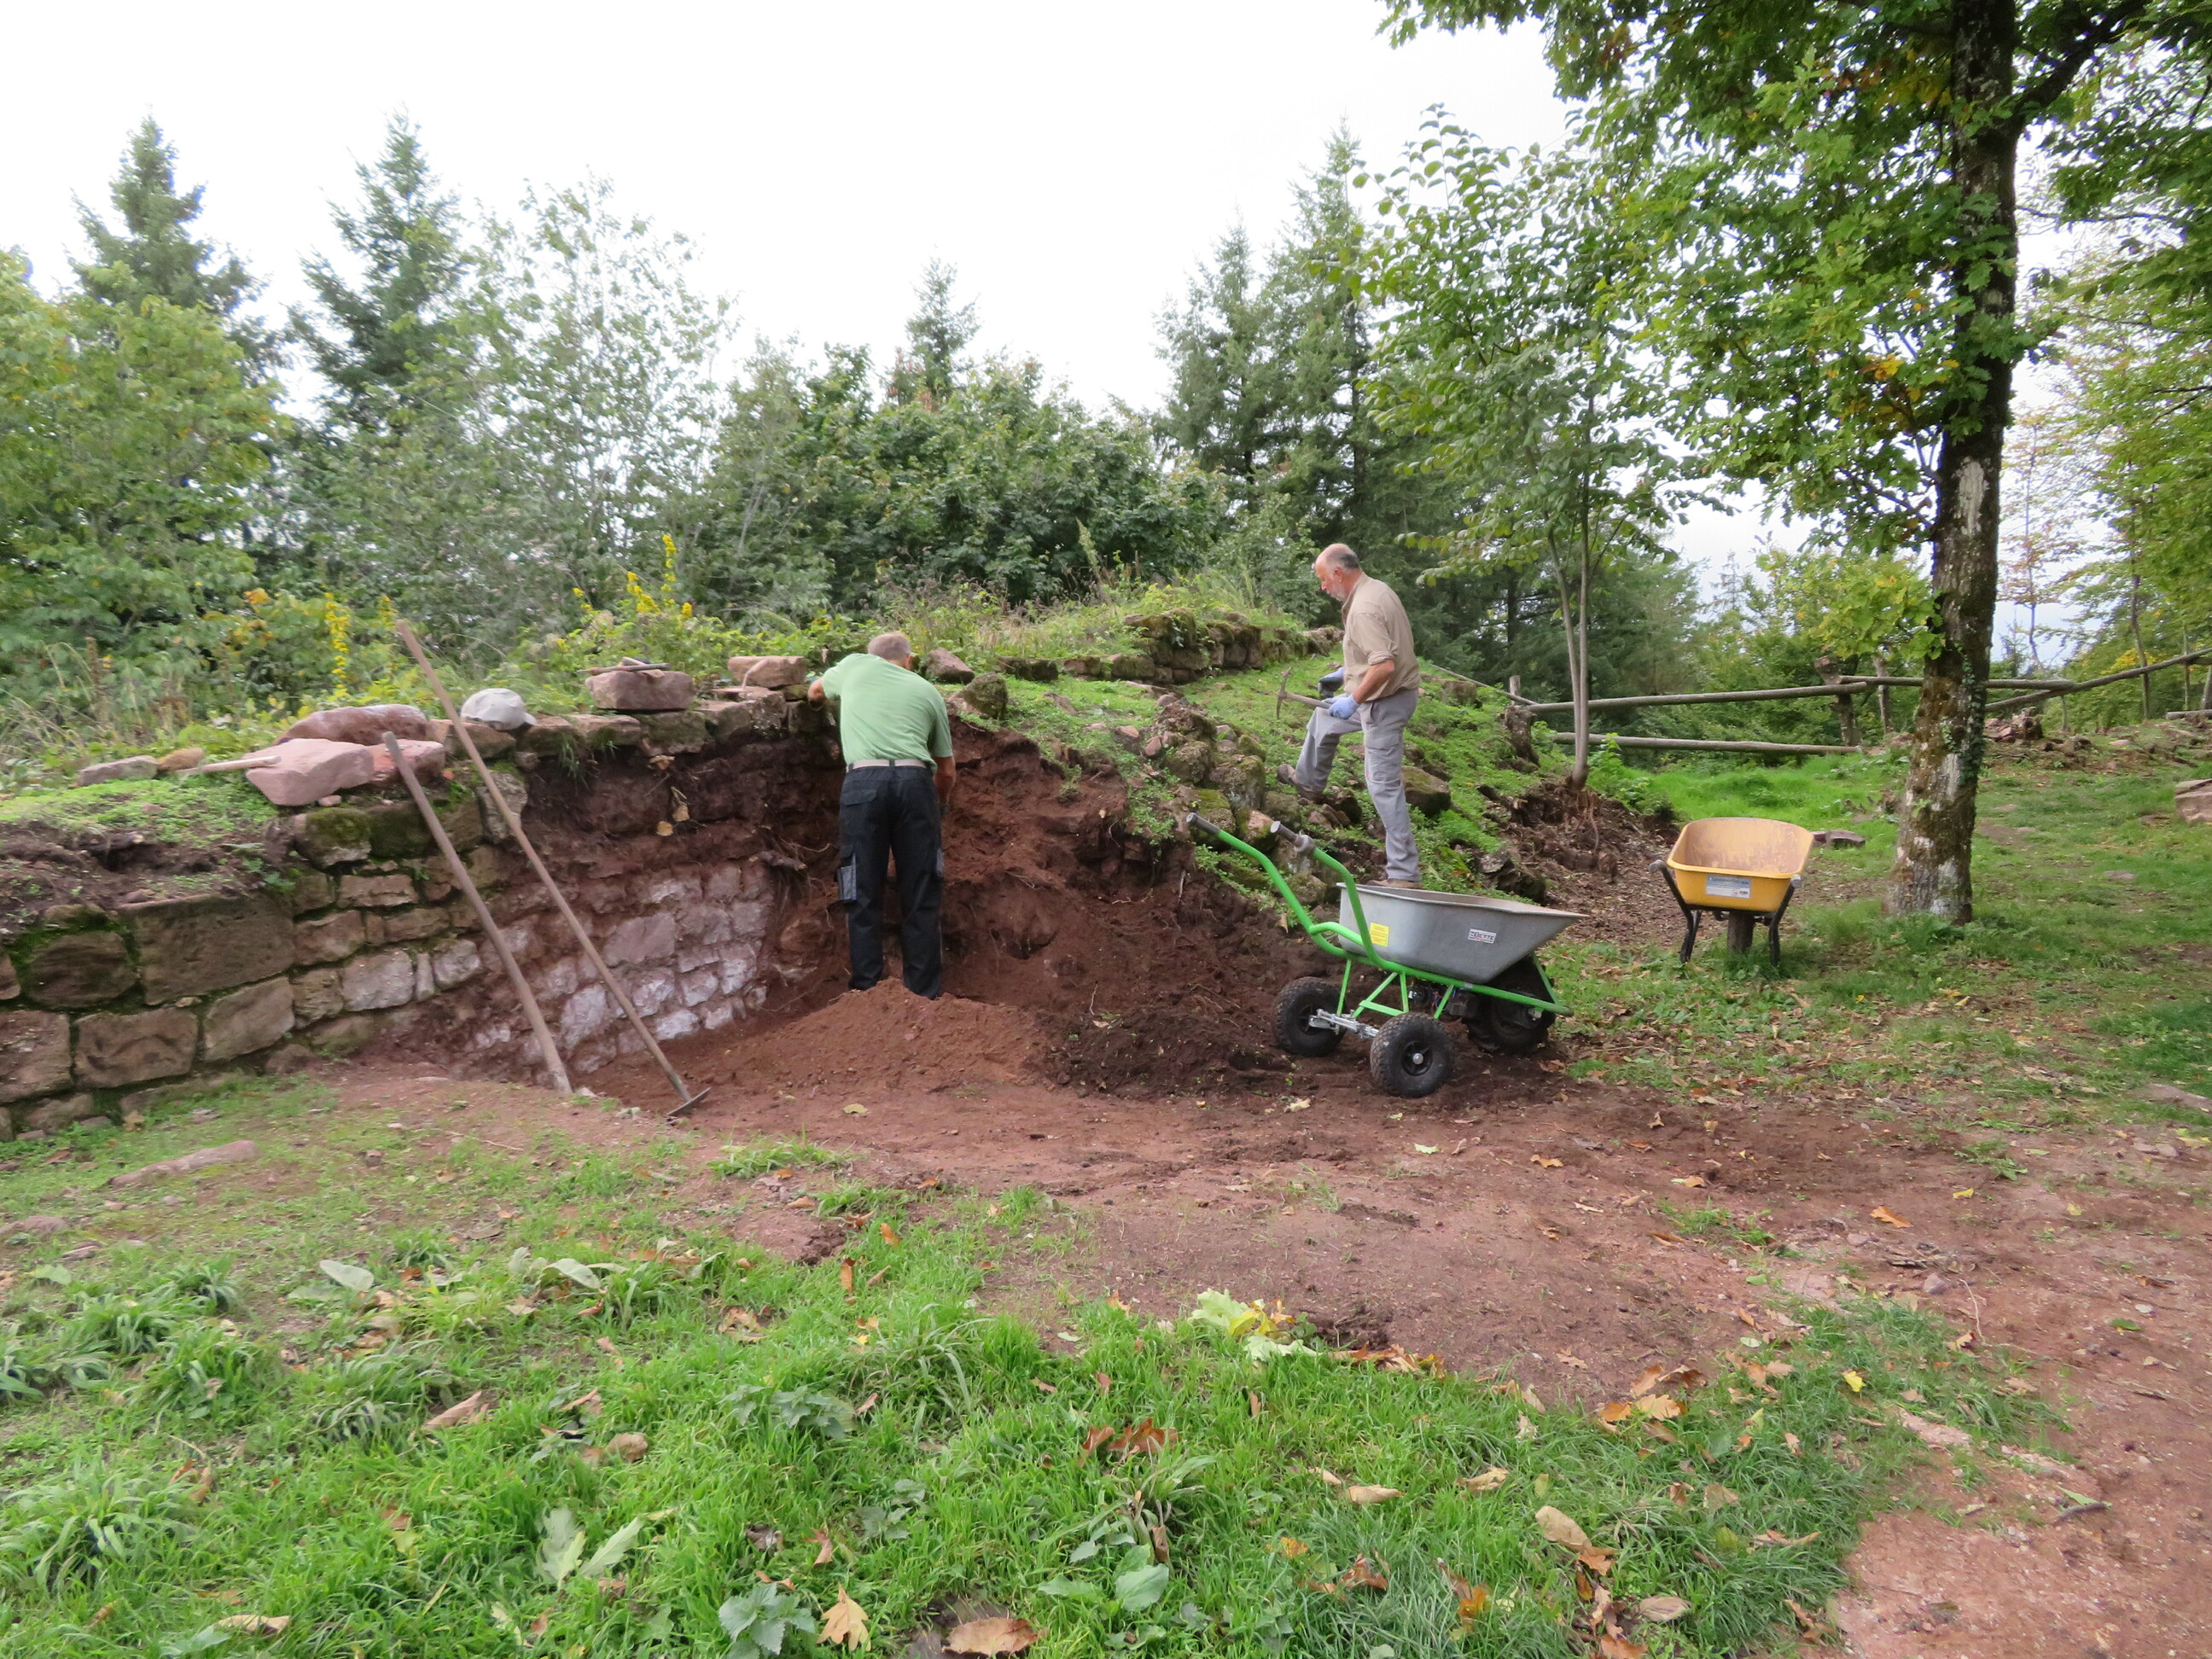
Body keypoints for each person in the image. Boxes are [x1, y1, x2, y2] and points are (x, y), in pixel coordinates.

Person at [807, 632, 957, 997]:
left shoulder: (854, 666)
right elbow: (947, 771)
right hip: (915, 783)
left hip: (863, 783)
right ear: (909, 660)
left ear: (870, 655)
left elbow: (815, 691)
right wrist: (937, 808)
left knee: (860, 888)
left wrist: (823, 700)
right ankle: (924, 994)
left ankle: (866, 991)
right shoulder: (927, 690)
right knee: (922, 891)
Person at [1280, 544, 1423, 888]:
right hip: (1380, 694)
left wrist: (1354, 699)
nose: (1323, 587)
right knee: (1324, 718)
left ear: (1338, 573)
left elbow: (1384, 666)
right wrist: (1348, 673)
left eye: (1323, 579)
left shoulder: (1363, 609)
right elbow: (1383, 647)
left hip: (1385, 703)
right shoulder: (1376, 590)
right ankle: (1308, 782)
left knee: (1382, 786)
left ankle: (1404, 873)